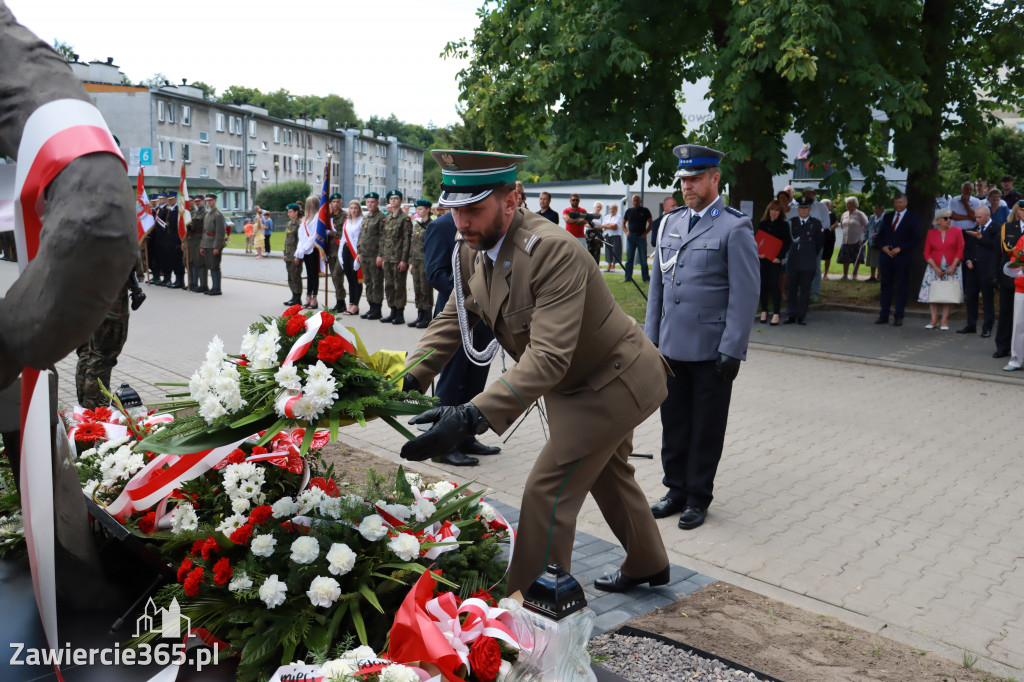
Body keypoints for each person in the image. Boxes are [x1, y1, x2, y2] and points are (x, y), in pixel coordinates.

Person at [401, 149, 671, 596]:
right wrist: (406, 379)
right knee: (608, 472)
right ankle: (648, 563)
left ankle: (527, 605)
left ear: (512, 200)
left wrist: (471, 415)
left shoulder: (552, 252)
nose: (461, 222)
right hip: (576, 382)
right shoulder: (472, 249)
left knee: (547, 490)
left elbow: (548, 357)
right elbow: (453, 320)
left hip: (612, 382)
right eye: (455, 210)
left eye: (473, 209)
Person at [646, 144, 759, 531]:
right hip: (671, 346)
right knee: (673, 423)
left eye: (695, 178)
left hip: (711, 351)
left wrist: (733, 347)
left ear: (715, 178)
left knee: (706, 427)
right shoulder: (670, 223)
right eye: (683, 179)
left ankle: (698, 497)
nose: (687, 186)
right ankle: (674, 489)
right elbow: (658, 289)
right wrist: (651, 342)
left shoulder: (734, 226)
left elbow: (745, 293)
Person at [421, 209, 500, 467]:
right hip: (457, 318)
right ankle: (442, 445)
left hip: (486, 316)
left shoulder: (484, 222)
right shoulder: (441, 226)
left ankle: (466, 436)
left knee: (475, 380)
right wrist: (471, 292)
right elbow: (435, 273)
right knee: (452, 382)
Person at [874, 192, 921, 326]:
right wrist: (883, 247)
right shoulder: (888, 217)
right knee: (885, 285)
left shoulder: (912, 218)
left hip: (903, 257)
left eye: (900, 202)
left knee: (901, 286)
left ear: (906, 203)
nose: (898, 205)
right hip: (886, 257)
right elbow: (880, 236)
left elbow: (916, 238)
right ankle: (884, 314)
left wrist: (900, 248)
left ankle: (899, 315)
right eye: (896, 202)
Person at [918, 209, 964, 330]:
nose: (949, 220)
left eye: (950, 218)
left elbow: (960, 250)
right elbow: (927, 253)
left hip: (952, 267)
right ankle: (933, 320)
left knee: (948, 294)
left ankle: (944, 321)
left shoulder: (957, 231)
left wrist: (953, 266)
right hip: (934, 267)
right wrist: (935, 268)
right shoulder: (931, 233)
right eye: (945, 218)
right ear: (938, 220)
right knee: (933, 293)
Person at [958, 205, 999, 336]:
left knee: (987, 299)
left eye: (979, 217)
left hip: (987, 269)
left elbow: (996, 247)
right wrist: (968, 260)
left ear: (988, 216)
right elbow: (968, 248)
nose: (977, 220)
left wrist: (981, 237)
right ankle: (971, 324)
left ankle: (987, 327)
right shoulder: (974, 229)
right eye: (975, 217)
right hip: (972, 268)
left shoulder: (997, 228)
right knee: (971, 297)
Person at [785, 195, 824, 325]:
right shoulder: (792, 222)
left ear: (810, 209)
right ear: (798, 209)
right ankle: (791, 314)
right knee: (791, 290)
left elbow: (819, 244)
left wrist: (810, 255)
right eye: (801, 208)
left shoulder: (816, 224)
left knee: (805, 291)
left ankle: (801, 316)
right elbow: (786, 242)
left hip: (808, 263)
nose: (803, 211)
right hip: (793, 262)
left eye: (806, 208)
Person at [994, 200, 1024, 360]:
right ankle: (1002, 346)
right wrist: (994, 276)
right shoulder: (1008, 227)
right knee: (1006, 313)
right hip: (1010, 277)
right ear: (1018, 212)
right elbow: (1004, 250)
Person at [379, 189, 412, 325]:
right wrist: (381, 256)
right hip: (388, 258)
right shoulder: (388, 218)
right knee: (389, 286)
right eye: (391, 199)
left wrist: (404, 259)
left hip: (398, 259)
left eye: (396, 198)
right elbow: (383, 239)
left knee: (399, 286)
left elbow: (406, 241)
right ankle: (392, 311)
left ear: (401, 201)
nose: (393, 201)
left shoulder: (405, 219)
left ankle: (399, 313)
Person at [756, 199, 791, 325]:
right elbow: (759, 241)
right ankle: (764, 311)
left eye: (777, 210)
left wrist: (779, 257)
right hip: (763, 259)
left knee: (774, 285)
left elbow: (787, 242)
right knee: (763, 285)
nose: (774, 213)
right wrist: (758, 253)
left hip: (775, 261)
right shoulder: (763, 224)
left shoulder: (783, 225)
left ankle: (776, 313)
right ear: (768, 210)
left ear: (780, 212)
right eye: (772, 210)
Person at [358, 192, 386, 320]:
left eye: (372, 202)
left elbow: (383, 238)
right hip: (364, 255)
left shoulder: (381, 217)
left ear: (377, 203)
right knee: (368, 282)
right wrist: (359, 252)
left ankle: (377, 309)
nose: (370, 204)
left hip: (375, 256)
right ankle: (371, 306)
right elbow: (361, 236)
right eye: (368, 202)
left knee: (376, 282)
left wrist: (381, 255)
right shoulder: (366, 217)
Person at [407, 199, 434, 328]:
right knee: (417, 288)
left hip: (426, 261)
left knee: (425, 289)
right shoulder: (417, 224)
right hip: (416, 261)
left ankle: (427, 317)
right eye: (417, 209)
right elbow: (413, 244)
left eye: (421, 209)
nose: (418, 211)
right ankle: (420, 315)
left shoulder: (432, 225)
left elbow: (433, 246)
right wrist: (411, 262)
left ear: (428, 209)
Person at [294, 195, 322, 309]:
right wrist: (299, 253)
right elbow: (302, 237)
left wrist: (304, 249)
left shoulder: (317, 218)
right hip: (305, 250)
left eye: (311, 204)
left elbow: (313, 236)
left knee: (314, 275)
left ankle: (314, 297)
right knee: (309, 274)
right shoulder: (305, 219)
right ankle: (308, 295)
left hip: (313, 249)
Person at [339, 199, 363, 315]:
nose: (353, 210)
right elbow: (343, 238)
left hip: (356, 251)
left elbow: (362, 239)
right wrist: (340, 254)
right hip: (346, 250)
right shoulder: (347, 221)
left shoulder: (362, 221)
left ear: (359, 209)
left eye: (356, 208)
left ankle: (356, 304)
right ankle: (350, 303)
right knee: (349, 279)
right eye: (351, 208)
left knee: (356, 279)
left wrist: (359, 254)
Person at [199, 193, 225, 296]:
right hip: (207, 243)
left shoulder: (218, 214)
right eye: (207, 200)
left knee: (215, 266)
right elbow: (204, 231)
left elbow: (220, 233)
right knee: (210, 265)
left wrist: (216, 247)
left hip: (214, 243)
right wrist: (202, 245)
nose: (209, 202)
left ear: (215, 201)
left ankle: (217, 289)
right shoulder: (208, 214)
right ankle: (213, 287)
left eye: (211, 200)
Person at [623, 194, 653, 283]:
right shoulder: (628, 211)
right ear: (632, 201)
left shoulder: (645, 211)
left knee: (643, 259)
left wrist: (645, 234)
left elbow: (651, 224)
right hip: (631, 237)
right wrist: (626, 232)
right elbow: (623, 224)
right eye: (634, 200)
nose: (635, 202)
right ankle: (627, 278)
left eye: (637, 200)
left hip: (641, 237)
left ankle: (646, 279)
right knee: (629, 259)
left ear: (640, 201)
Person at [837, 196, 868, 280]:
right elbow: (842, 225)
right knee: (845, 259)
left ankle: (854, 275)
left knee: (856, 259)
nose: (847, 205)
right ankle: (845, 275)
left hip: (857, 240)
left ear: (854, 205)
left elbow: (867, 226)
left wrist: (864, 237)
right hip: (846, 240)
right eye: (847, 203)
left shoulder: (860, 214)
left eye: (849, 203)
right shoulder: (844, 214)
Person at [327, 193, 347, 310]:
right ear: (330, 203)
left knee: (337, 276)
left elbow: (345, 234)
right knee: (335, 279)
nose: (335, 204)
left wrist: (330, 233)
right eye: (333, 202)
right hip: (330, 251)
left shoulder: (345, 216)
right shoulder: (328, 216)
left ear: (341, 203)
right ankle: (340, 302)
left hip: (341, 251)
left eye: (338, 201)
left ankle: (342, 302)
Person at [282, 203, 303, 306]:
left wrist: (298, 256)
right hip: (289, 255)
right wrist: (285, 253)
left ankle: (298, 298)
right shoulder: (289, 223)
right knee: (290, 276)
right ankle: (293, 296)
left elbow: (300, 241)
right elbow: (287, 241)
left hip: (295, 255)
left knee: (296, 276)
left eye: (290, 211)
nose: (288, 213)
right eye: (288, 211)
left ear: (296, 212)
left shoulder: (300, 224)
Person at [186, 194, 206, 291]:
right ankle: (192, 283)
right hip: (192, 240)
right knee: (191, 262)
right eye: (196, 201)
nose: (197, 203)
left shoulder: (205, 213)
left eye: (199, 201)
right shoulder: (196, 212)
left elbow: (205, 229)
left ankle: (200, 284)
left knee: (198, 263)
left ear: (203, 201)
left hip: (199, 240)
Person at [600, 203, 624, 272]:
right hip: (607, 235)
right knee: (608, 251)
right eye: (611, 209)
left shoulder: (618, 216)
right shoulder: (607, 216)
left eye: (613, 209)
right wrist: (609, 225)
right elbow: (603, 225)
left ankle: (613, 265)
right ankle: (609, 265)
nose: (612, 210)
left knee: (615, 250)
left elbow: (615, 227)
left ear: (616, 210)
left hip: (615, 235)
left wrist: (606, 225)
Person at [864, 205, 884, 282]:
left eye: (877, 208)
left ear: (882, 209)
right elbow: (868, 228)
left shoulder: (885, 218)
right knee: (872, 259)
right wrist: (864, 238)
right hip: (871, 241)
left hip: (881, 242)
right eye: (874, 208)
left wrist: (879, 234)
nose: (875, 210)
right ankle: (872, 276)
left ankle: (879, 276)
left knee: (880, 260)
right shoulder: (872, 217)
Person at [821, 198, 837, 281]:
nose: (830, 206)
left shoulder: (832, 214)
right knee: (819, 255)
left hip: (830, 238)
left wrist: (829, 228)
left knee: (828, 256)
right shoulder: (819, 214)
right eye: (829, 205)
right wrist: (823, 229)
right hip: (821, 237)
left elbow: (836, 224)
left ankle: (825, 274)